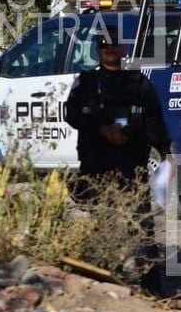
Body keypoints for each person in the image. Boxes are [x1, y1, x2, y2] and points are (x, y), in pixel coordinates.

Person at [64, 26, 171, 194]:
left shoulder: (140, 83)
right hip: (97, 169)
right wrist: (102, 129)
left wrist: (165, 151)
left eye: (114, 43)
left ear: (123, 47)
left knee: (137, 218)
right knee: (103, 217)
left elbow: (154, 117)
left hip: (132, 168)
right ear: (97, 50)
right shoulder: (86, 82)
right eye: (103, 44)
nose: (109, 48)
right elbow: (72, 114)